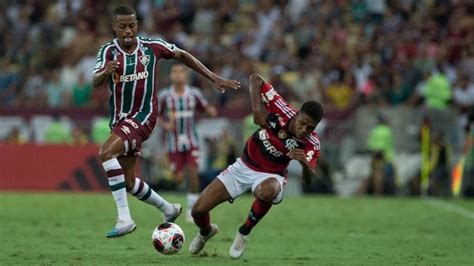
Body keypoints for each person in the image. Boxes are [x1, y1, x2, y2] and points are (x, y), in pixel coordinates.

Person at [92, 5, 240, 238]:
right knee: (129, 183)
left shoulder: (152, 47)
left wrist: (213, 77)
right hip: (120, 119)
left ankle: (124, 219)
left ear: (137, 25)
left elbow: (182, 54)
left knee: (105, 153)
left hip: (144, 115)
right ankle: (168, 209)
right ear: (114, 27)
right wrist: (105, 72)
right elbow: (95, 81)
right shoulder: (108, 52)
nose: (128, 30)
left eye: (132, 25)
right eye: (122, 26)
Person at [189, 73, 323, 259]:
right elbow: (255, 79)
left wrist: (304, 163)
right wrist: (257, 110)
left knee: (269, 191)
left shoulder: (311, 143)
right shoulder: (280, 108)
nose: (304, 130)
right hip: (243, 166)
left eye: (311, 128)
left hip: (271, 174)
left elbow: (309, 180)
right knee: (197, 210)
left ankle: (244, 232)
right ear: (297, 114)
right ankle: (205, 232)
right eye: (303, 124)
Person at [158, 63, 218, 222]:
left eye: (180, 72)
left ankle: (192, 210)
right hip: (173, 143)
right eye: (174, 72)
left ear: (185, 76)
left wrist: (210, 111)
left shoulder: (194, 94)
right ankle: (167, 207)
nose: (177, 75)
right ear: (171, 75)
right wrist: (165, 124)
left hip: (192, 140)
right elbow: (156, 115)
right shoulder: (164, 96)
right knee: (177, 177)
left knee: (193, 173)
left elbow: (205, 108)